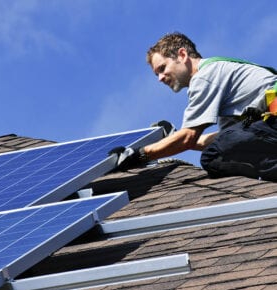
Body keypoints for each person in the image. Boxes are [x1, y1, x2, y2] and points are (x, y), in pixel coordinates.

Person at [109, 32, 277, 181]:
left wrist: (138, 155)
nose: (160, 78)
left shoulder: (204, 77)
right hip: (269, 125)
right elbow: (223, 139)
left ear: (182, 55)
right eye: (156, 74)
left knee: (213, 157)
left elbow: (188, 137)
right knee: (220, 149)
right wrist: (171, 138)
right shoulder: (221, 83)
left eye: (162, 68)